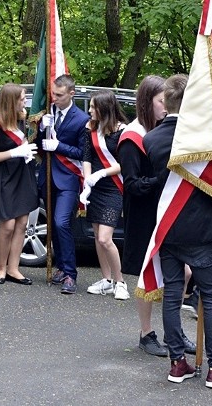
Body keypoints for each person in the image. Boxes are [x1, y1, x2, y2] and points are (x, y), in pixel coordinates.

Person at [143, 74, 212, 389]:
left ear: (166, 103)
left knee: (172, 295)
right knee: (211, 298)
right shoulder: (203, 139)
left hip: (169, 228)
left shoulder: (150, 140)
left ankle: (177, 363)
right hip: (203, 231)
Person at [118, 75, 168, 355]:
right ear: (147, 102)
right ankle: (146, 332)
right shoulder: (132, 137)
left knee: (179, 272)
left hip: (164, 210)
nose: (166, 107)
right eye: (162, 101)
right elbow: (133, 184)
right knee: (146, 274)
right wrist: (161, 179)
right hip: (142, 214)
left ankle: (173, 329)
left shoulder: (162, 131)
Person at [0, 83, 38, 285]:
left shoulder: (21, 117)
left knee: (22, 223)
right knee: (7, 225)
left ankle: (14, 268)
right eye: (22, 98)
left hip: (22, 174)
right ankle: (1, 269)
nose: (24, 102)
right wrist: (13, 153)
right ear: (10, 100)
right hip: (3, 176)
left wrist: (27, 151)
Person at [38, 74, 89, 295]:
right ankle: (59, 267)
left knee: (61, 223)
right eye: (53, 94)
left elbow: (82, 153)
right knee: (52, 225)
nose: (54, 98)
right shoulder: (49, 113)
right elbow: (41, 148)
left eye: (59, 95)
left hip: (68, 178)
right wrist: (41, 130)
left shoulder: (82, 119)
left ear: (71, 93)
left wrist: (58, 146)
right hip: (47, 177)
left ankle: (70, 274)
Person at [79, 90, 128, 300]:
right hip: (96, 189)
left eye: (92, 107)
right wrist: (87, 182)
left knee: (105, 238)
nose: (89, 111)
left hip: (113, 188)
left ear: (105, 108)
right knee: (97, 238)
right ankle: (107, 280)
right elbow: (87, 156)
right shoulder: (90, 128)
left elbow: (124, 163)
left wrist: (102, 173)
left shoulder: (123, 131)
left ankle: (121, 281)